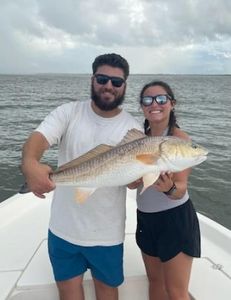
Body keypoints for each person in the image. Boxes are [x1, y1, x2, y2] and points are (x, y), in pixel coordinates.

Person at [21, 53, 141, 300]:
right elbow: (39, 138)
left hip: (107, 233)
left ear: (124, 86)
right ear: (92, 79)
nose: (108, 86)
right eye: (102, 78)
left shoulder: (134, 129)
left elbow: (131, 182)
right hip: (63, 229)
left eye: (116, 82)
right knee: (68, 293)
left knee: (108, 292)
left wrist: (144, 175)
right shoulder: (69, 112)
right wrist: (30, 164)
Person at [129, 80, 201, 300]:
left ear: (172, 104)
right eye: (147, 100)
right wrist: (133, 178)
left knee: (176, 292)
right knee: (155, 283)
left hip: (175, 219)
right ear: (142, 106)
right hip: (146, 219)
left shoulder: (180, 140)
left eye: (161, 99)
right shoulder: (137, 138)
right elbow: (132, 183)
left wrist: (168, 188)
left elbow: (179, 189)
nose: (155, 104)